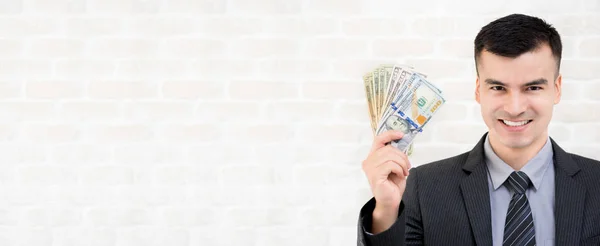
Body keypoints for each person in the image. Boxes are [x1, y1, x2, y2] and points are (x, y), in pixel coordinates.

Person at [357, 13, 600, 246]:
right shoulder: (424, 188)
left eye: (533, 88)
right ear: (478, 90)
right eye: (498, 88)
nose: (514, 108)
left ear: (557, 89)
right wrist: (386, 210)